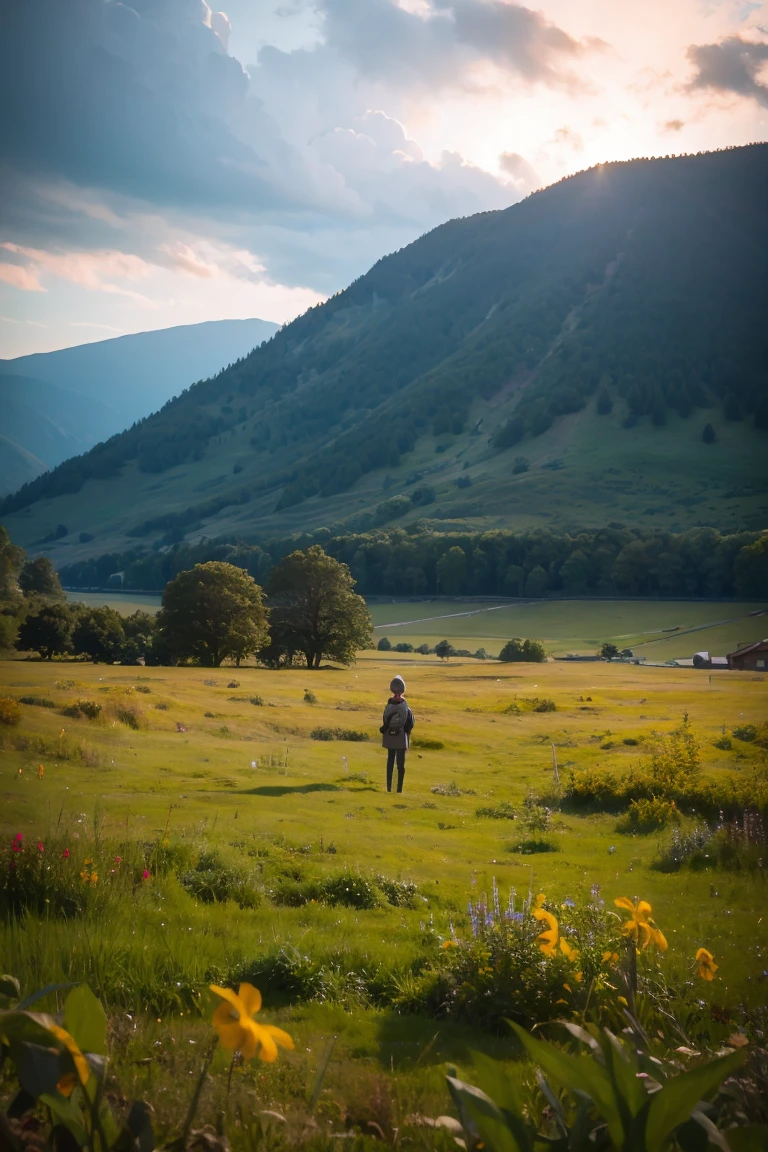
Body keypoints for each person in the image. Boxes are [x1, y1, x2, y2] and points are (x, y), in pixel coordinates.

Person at [380, 675, 415, 793]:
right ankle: (399, 789)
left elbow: (384, 720)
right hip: (401, 737)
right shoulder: (406, 707)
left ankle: (389, 788)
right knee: (400, 764)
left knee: (390, 761)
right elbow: (410, 724)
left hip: (389, 736)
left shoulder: (388, 706)